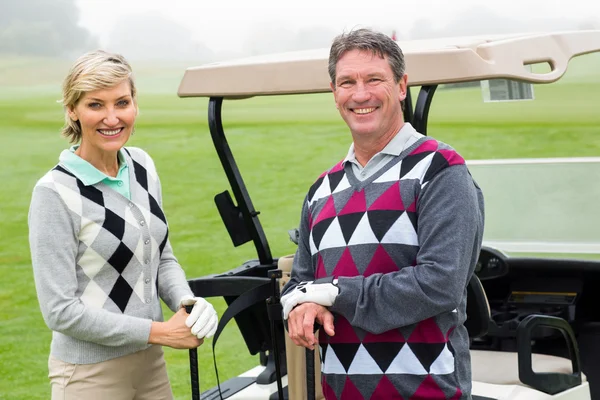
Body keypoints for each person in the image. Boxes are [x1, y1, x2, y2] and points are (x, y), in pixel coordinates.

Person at [281, 28, 485, 399]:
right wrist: (299, 306)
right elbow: (300, 284)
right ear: (334, 93)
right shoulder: (321, 190)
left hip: (428, 393)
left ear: (402, 85)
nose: (360, 94)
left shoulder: (440, 170)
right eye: (347, 82)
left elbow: (440, 284)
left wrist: (334, 292)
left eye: (374, 79)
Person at [28, 50, 218, 400]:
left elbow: (161, 257)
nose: (112, 118)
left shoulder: (142, 166)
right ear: (72, 110)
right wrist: (159, 332)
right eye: (95, 105)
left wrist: (187, 302)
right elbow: (60, 312)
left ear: (135, 105)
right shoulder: (54, 193)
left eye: (122, 102)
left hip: (150, 367)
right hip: (89, 377)